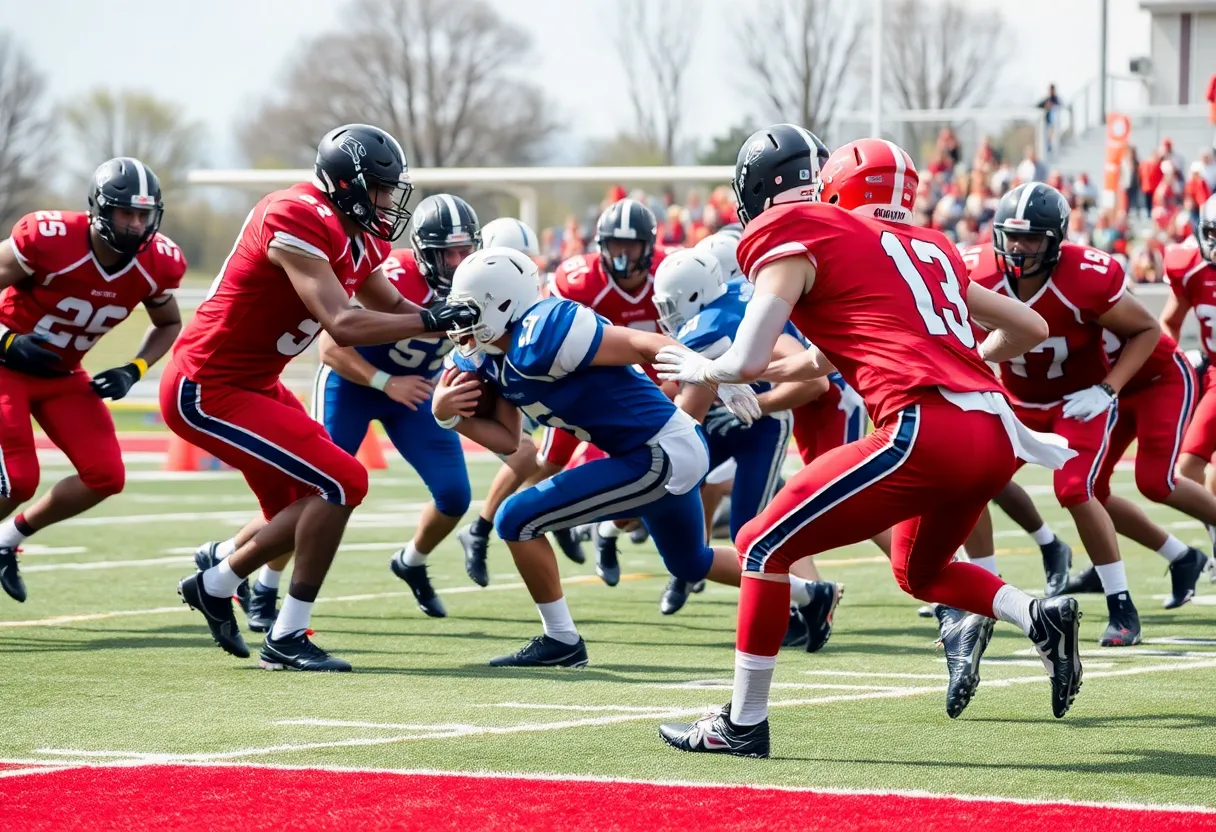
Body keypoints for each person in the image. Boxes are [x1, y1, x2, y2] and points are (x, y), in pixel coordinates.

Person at [654, 125, 1081, 758]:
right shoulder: (922, 245)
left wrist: (712, 371)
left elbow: (744, 358)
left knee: (759, 545)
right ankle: (1035, 615)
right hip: (994, 431)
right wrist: (963, 368)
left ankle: (743, 724)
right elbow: (1029, 324)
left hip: (923, 427)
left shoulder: (811, 230)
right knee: (919, 569)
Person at [165, 124, 475, 672]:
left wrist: (453, 321)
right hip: (208, 383)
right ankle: (283, 632)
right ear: (346, 183)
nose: (386, 201)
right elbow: (344, 322)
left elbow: (395, 306)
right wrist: (431, 318)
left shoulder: (360, 232)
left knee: (297, 503)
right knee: (346, 479)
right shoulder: (296, 213)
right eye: (379, 189)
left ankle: (218, 578)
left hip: (255, 382)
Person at [433, 247, 821, 668]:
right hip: (655, 453)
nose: (461, 322)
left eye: (470, 309)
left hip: (658, 450)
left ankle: (561, 641)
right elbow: (511, 442)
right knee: (691, 561)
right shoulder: (489, 358)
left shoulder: (546, 329)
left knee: (514, 519)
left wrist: (708, 373)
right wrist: (447, 416)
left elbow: (643, 342)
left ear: (503, 303)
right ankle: (811, 594)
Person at [963, 182, 1161, 647]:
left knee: (1075, 489)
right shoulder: (974, 270)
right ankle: (981, 600)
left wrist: (1109, 388)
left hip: (1076, 401)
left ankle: (1121, 604)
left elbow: (1147, 329)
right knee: (968, 482)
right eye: (1011, 235)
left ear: (1056, 240)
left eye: (1031, 238)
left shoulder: (1085, 276)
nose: (1018, 248)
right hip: (1012, 402)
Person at [0, 158, 186, 603]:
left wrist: (134, 368)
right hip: (6, 367)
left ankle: (8, 538)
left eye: (145, 215)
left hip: (63, 374)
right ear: (101, 209)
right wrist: (6, 341)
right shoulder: (48, 239)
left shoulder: (157, 263)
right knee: (18, 480)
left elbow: (168, 322)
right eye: (127, 213)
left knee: (105, 475)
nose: (137, 224)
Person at [311, 194, 482, 618]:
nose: (460, 262)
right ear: (424, 252)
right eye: (448, 253)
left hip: (418, 392)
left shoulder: (483, 279)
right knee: (317, 491)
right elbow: (330, 347)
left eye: (466, 250)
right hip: (352, 384)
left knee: (454, 496)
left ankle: (411, 561)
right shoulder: (394, 275)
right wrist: (385, 383)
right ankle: (266, 585)